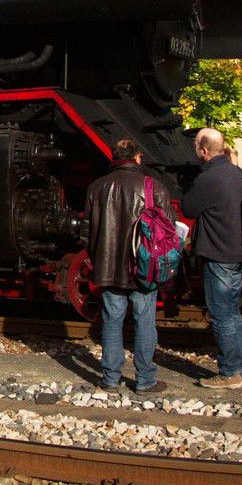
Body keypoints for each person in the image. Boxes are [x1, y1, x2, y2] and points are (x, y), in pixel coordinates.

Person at [83, 137, 167, 393]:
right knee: (144, 321)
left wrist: (97, 258)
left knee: (111, 321)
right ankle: (145, 379)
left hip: (108, 267)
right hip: (143, 268)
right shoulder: (154, 188)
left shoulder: (96, 188)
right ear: (138, 157)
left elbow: (86, 233)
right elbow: (168, 231)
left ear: (114, 158)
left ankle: (110, 378)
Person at [180, 128, 242, 390]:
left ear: (205, 151)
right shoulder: (236, 173)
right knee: (233, 313)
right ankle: (240, 369)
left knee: (221, 315)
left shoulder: (209, 178)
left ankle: (229, 372)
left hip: (217, 253)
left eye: (197, 148)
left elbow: (188, 208)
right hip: (236, 252)